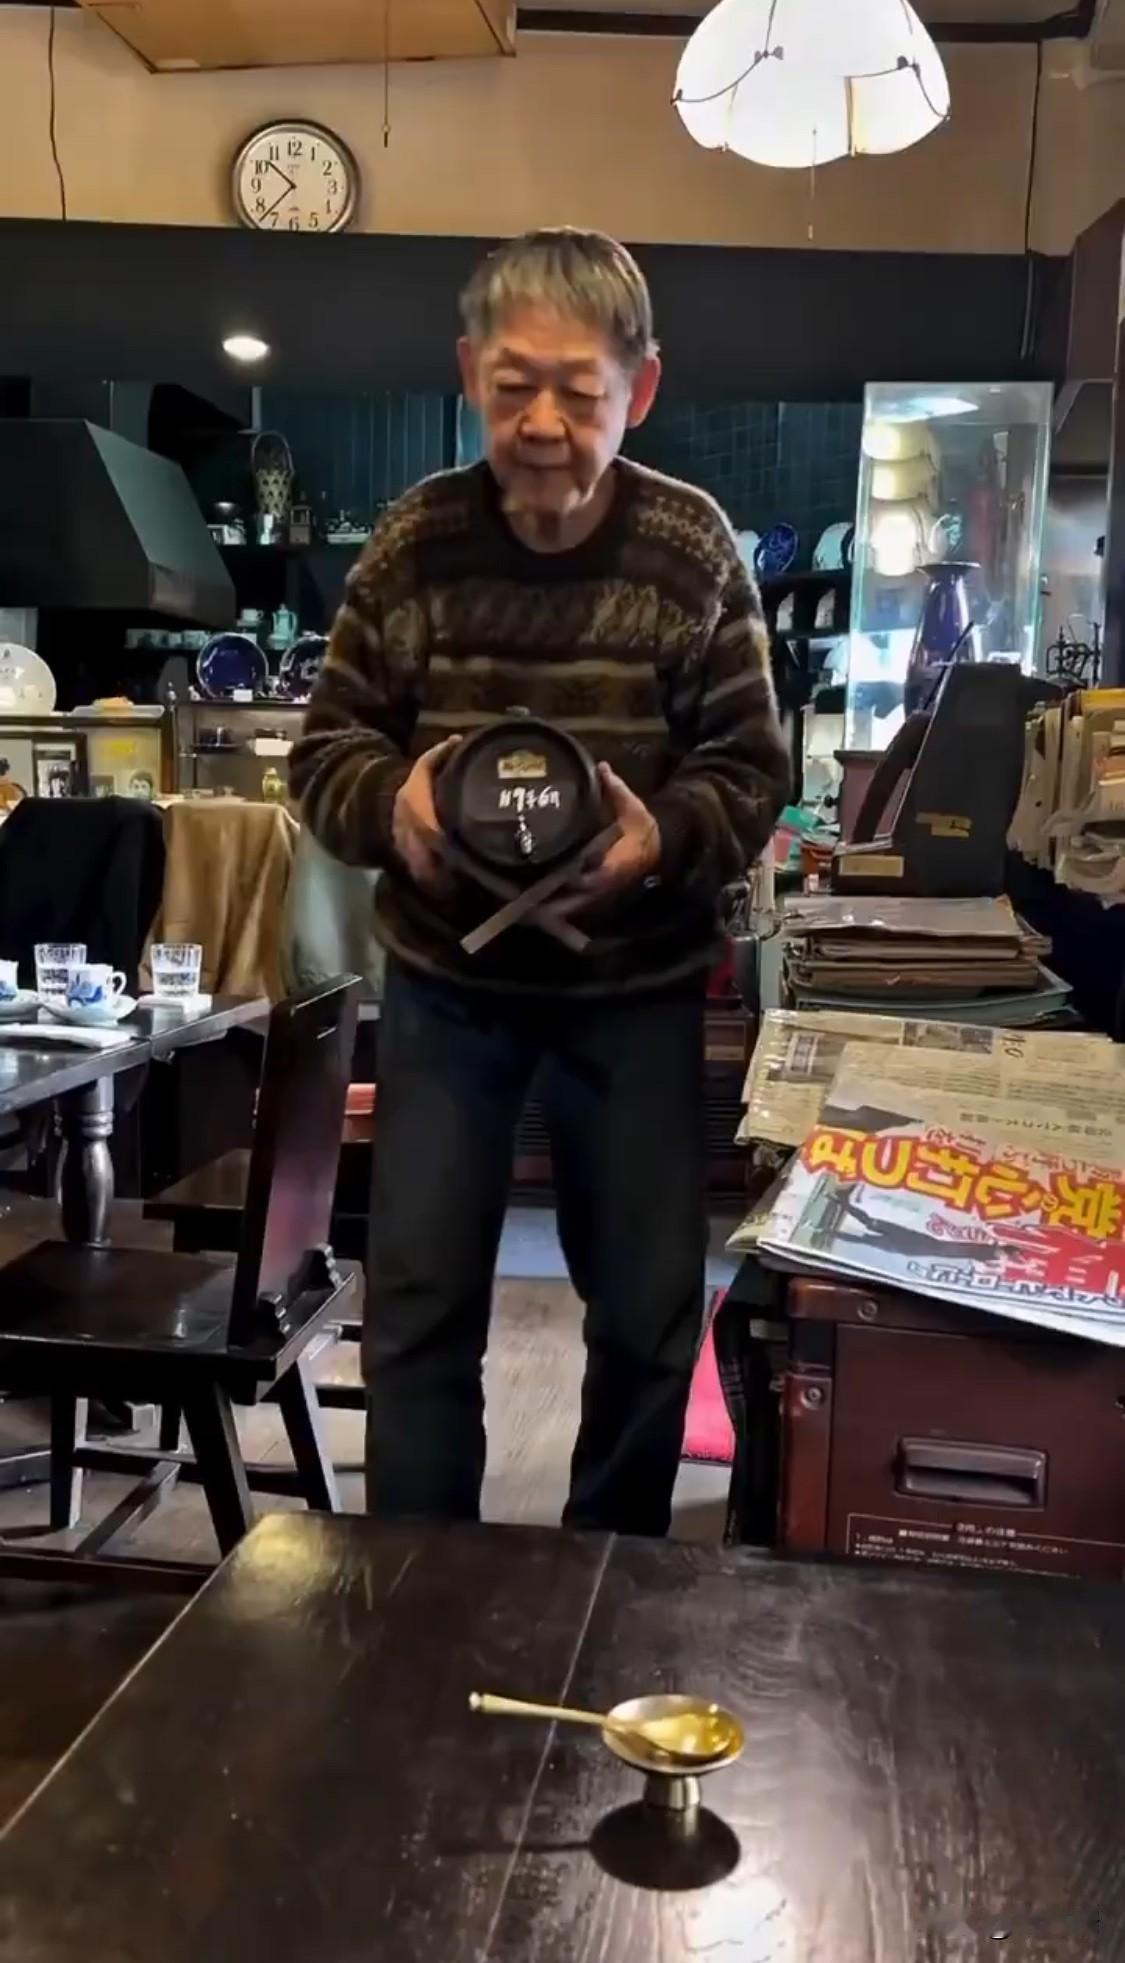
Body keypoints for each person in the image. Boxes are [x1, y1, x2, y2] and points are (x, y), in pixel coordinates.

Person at [290, 227, 789, 1536]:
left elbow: (751, 771)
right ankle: (419, 1586)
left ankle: (612, 1572)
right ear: (469, 373)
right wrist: (393, 812)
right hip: (448, 990)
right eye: (515, 386)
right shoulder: (416, 542)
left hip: (634, 987)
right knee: (417, 1304)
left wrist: (657, 840)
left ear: (643, 387)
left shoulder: (688, 546)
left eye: (581, 389)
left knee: (646, 1308)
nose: (547, 424)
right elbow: (325, 754)